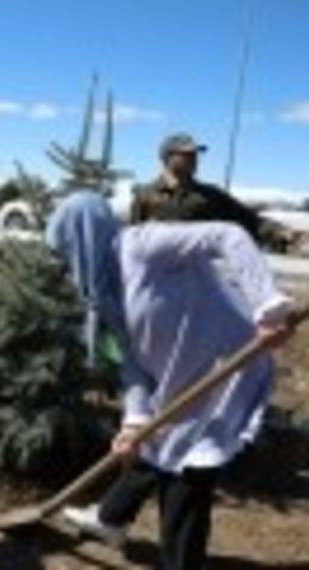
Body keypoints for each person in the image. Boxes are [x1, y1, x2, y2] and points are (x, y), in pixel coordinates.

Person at [46, 191, 292, 569]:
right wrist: (134, 419)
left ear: (84, 236)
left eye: (67, 249)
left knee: (191, 470)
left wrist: (268, 304)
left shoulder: (141, 245)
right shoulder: (103, 298)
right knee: (161, 448)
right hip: (180, 375)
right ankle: (112, 521)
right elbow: (131, 367)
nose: (68, 264)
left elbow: (227, 234)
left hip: (229, 367)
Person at [130, 132, 296, 250]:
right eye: (186, 155)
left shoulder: (209, 195)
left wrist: (278, 231)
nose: (194, 159)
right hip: (156, 274)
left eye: (195, 155)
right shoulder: (145, 194)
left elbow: (248, 219)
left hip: (197, 275)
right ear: (167, 157)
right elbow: (132, 238)